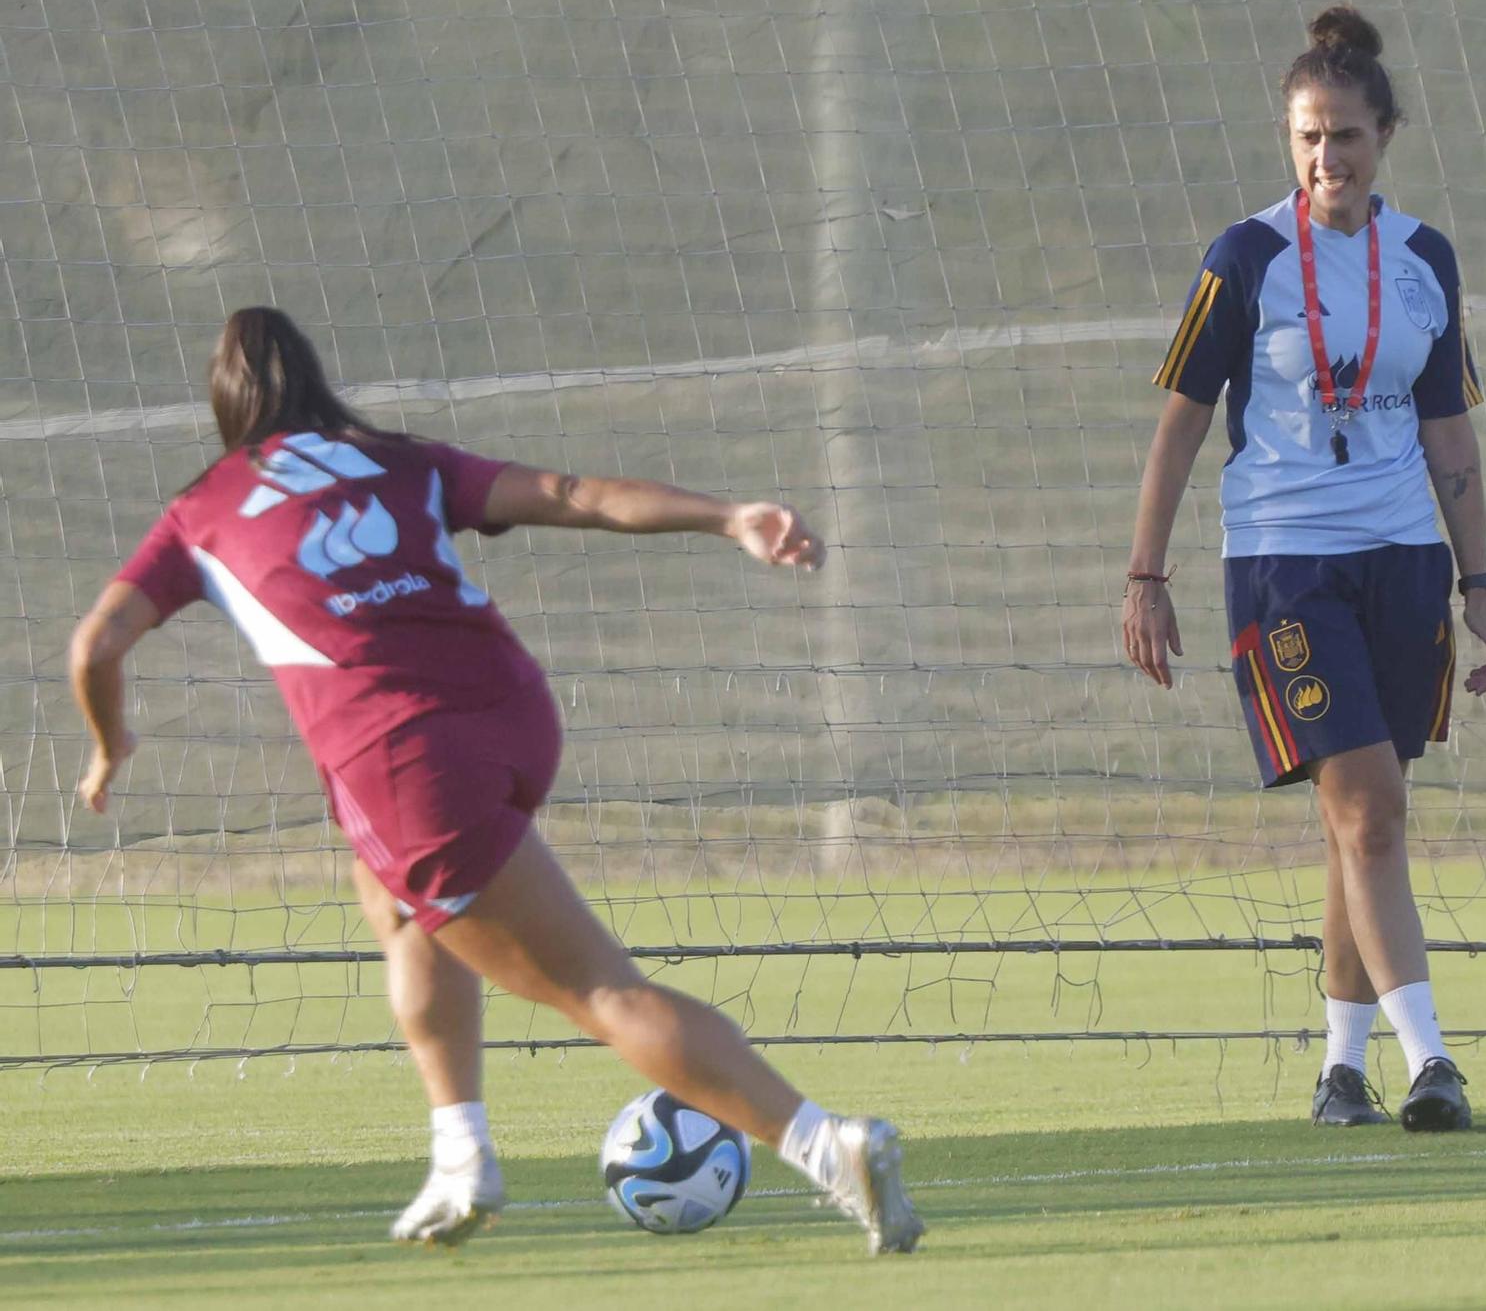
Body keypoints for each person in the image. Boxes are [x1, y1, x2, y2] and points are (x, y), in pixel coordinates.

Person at [69, 306, 925, 1253]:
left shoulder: (203, 511)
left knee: (600, 992)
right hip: (513, 713)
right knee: (393, 903)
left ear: (226, 408)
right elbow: (572, 492)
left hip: (409, 762)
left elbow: (96, 643)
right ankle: (460, 1155)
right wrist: (727, 516)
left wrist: (110, 744)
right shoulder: (396, 460)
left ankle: (826, 1145)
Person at [1123, 5, 1486, 1132]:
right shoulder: (1243, 256)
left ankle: (1339, 1071)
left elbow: (1450, 438)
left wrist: (1478, 590)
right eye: (1305, 138)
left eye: (1343, 135)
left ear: (1382, 135)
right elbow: (1180, 426)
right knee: (1370, 805)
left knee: (1362, 824)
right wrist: (1144, 576)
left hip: (1402, 559)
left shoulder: (1425, 256)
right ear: (1285, 142)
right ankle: (1431, 1059)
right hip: (1284, 563)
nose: (1324, 158)